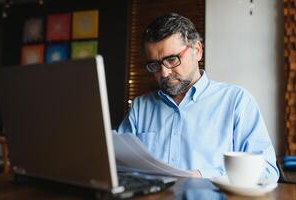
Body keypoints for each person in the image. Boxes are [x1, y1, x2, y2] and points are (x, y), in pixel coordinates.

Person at [117, 13, 279, 181]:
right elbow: (116, 162)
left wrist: (203, 176)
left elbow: (267, 171)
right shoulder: (140, 107)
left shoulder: (237, 102)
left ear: (197, 50)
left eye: (172, 59)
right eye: (155, 65)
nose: (164, 73)